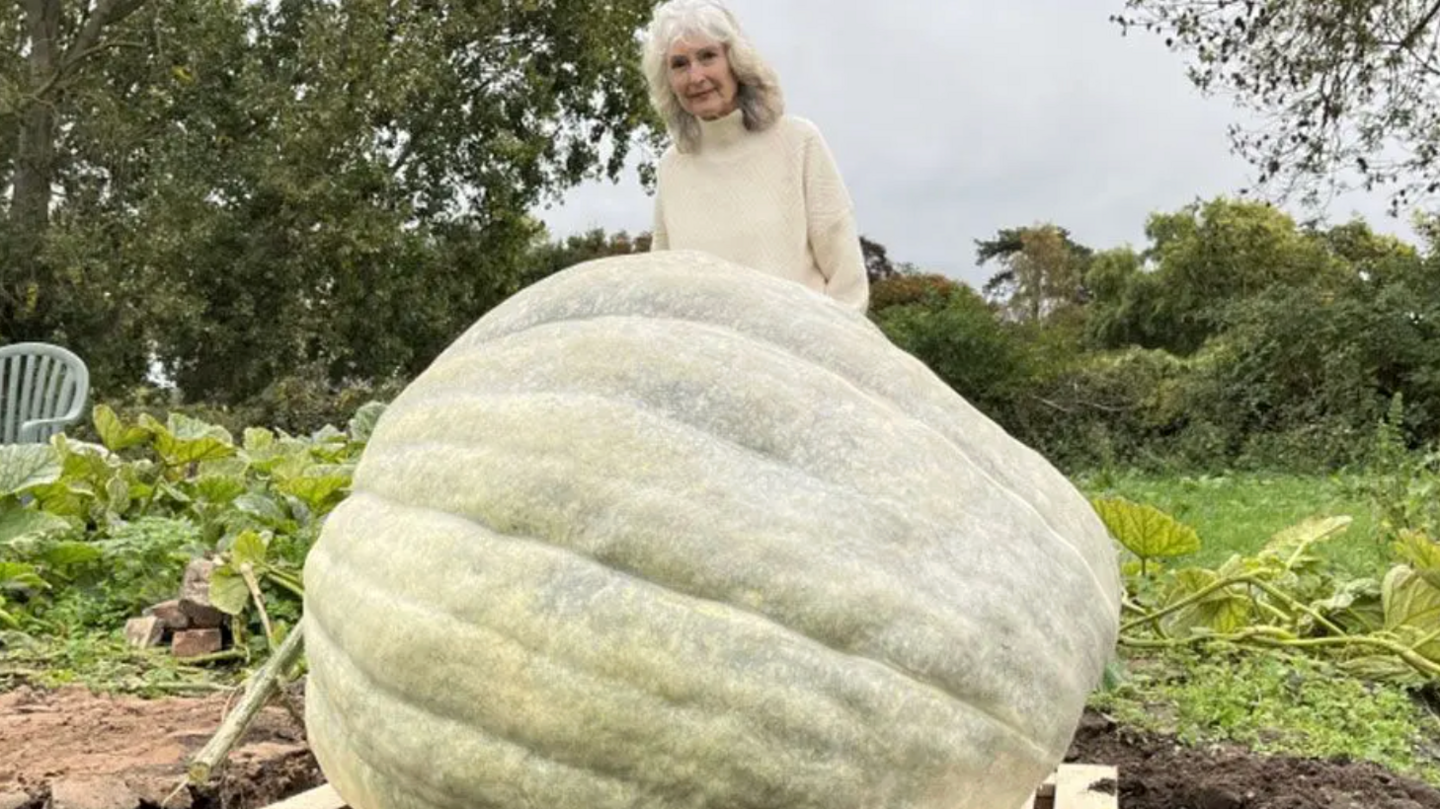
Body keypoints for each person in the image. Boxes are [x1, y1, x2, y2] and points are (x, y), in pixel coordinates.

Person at [641, 0, 870, 313]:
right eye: (679, 64)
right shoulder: (672, 167)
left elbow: (849, 283)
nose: (696, 77)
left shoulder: (798, 141)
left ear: (735, 62)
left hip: (798, 355)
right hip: (706, 358)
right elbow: (662, 286)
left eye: (707, 56)